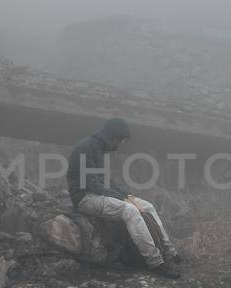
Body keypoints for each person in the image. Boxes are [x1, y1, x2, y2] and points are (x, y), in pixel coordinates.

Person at [67, 117, 183, 278]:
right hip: (85, 197)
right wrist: (125, 200)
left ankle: (170, 252)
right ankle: (155, 263)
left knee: (147, 206)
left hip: (97, 193)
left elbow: (106, 180)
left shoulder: (99, 148)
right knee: (130, 210)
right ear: (113, 136)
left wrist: (127, 194)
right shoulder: (86, 149)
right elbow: (94, 185)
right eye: (120, 140)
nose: (120, 144)